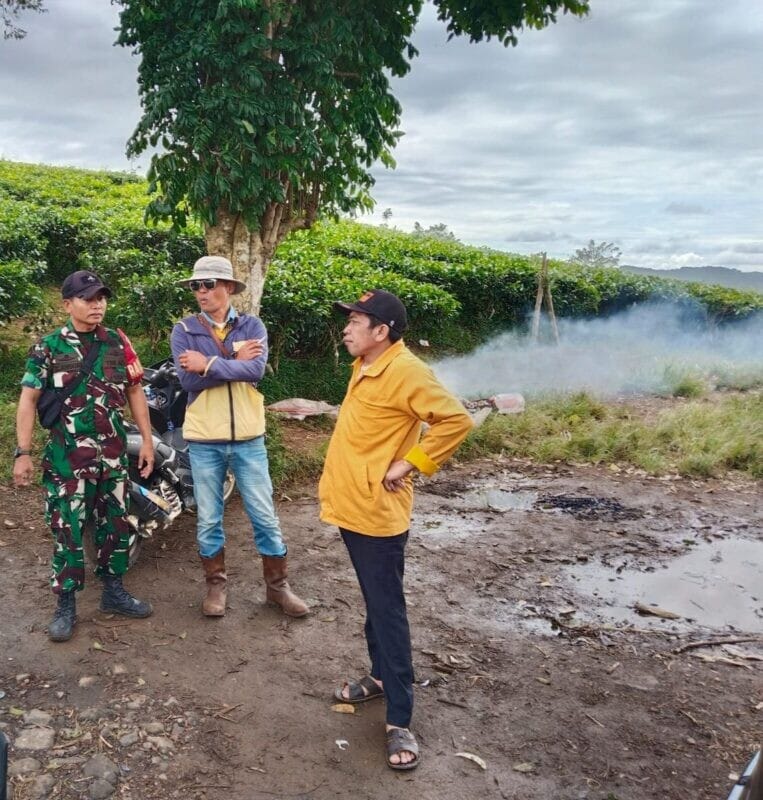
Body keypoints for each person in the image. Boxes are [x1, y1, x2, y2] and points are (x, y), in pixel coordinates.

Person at [319, 289, 474, 771]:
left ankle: (400, 717)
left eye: (355, 321)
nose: (346, 328)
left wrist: (410, 464)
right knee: (374, 598)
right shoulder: (366, 365)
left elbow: (456, 420)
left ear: (381, 330)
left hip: (378, 516)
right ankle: (381, 677)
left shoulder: (405, 370)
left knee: (388, 610)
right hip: (353, 506)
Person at [13, 270, 155, 643]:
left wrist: (148, 441)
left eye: (102, 298)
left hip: (112, 454)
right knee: (68, 530)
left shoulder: (118, 342)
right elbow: (28, 400)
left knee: (116, 524)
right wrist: (22, 452)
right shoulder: (48, 347)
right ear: (67, 304)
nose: (98, 305)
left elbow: (136, 392)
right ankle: (66, 604)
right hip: (67, 460)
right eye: (89, 298)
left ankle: (114, 591)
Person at [170, 255, 308, 619]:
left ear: (228, 287)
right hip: (203, 439)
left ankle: (278, 588)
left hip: (249, 438)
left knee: (264, 514)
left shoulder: (252, 325)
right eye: (196, 286)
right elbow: (187, 379)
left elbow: (256, 369)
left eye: (209, 284)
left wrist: (210, 362)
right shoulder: (184, 329)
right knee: (209, 517)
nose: (201, 291)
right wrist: (232, 355)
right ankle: (216, 586)